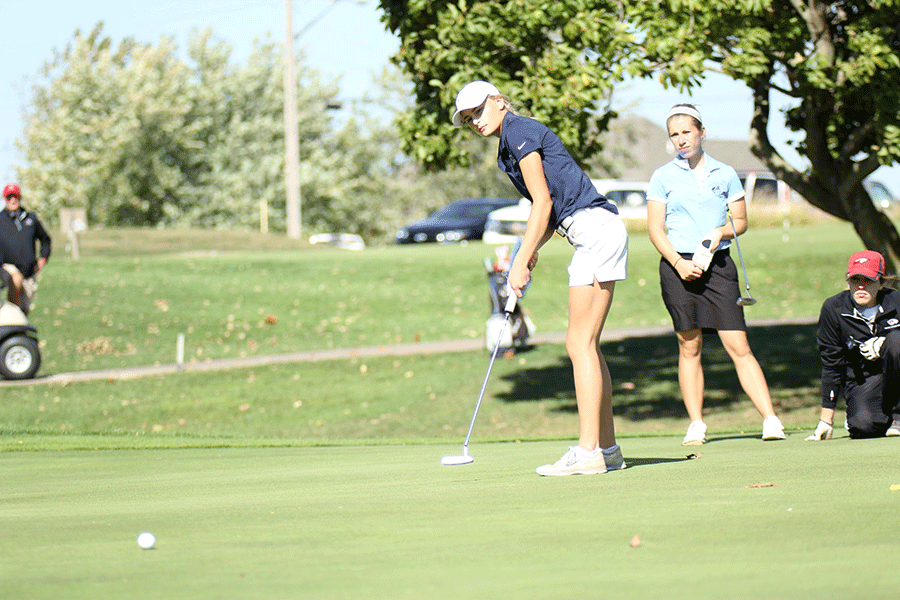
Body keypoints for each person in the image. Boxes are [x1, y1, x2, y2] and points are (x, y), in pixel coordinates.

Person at [452, 80, 629, 476]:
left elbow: (543, 201)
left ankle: (588, 454)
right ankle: (607, 448)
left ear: (498, 101)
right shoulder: (507, 147)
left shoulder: (518, 129)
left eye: (479, 111)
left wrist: (521, 259)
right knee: (587, 345)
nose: (475, 122)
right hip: (589, 231)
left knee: (578, 342)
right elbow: (546, 209)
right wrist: (528, 254)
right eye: (468, 120)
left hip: (594, 230)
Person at [646, 104, 785, 445]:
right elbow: (655, 229)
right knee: (688, 345)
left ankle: (770, 419)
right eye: (674, 134)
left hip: (718, 266)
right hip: (678, 267)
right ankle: (696, 423)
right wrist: (679, 263)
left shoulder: (724, 173)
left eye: (686, 132)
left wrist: (720, 233)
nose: (681, 139)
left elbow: (740, 222)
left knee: (738, 343)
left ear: (701, 132)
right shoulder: (662, 176)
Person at [808, 250, 900, 440]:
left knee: (896, 340)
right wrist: (826, 419)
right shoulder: (833, 309)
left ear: (881, 282)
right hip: (864, 380)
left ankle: (898, 416)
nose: (860, 286)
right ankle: (886, 418)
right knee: (863, 426)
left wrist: (885, 343)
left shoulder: (896, 301)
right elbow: (831, 364)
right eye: (855, 279)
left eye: (867, 280)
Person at [1, 183, 52, 315]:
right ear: (4, 199)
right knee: (15, 279)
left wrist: (43, 258)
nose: (13, 200)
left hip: (29, 271)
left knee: (24, 311)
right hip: (7, 267)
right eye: (9, 197)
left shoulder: (31, 218)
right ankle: (10, 317)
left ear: (20, 197)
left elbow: (45, 240)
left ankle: (18, 331)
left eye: (15, 196)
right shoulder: (0, 219)